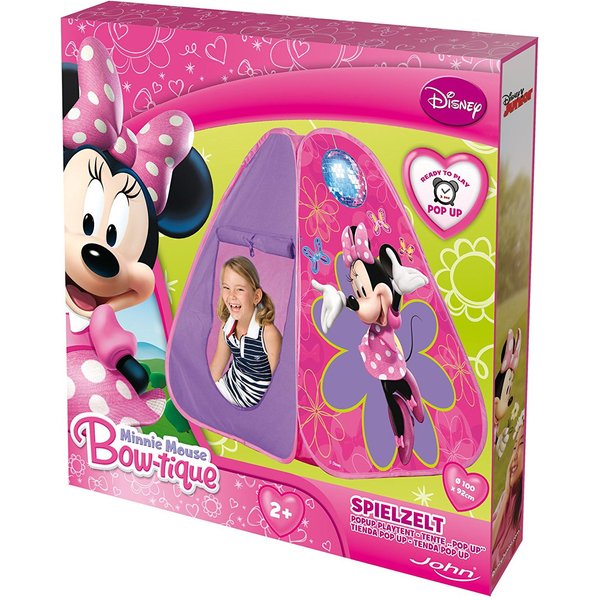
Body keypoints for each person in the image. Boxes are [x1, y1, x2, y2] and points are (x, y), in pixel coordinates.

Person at [210, 257, 282, 408]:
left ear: (256, 296)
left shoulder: (268, 334)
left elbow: (279, 386)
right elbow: (216, 369)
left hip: (255, 406)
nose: (231, 296)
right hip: (227, 391)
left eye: (240, 289)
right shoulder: (226, 327)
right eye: (226, 288)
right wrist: (203, 394)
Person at [492, 426, 525, 570]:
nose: (514, 457)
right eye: (514, 447)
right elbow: (489, 548)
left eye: (521, 444)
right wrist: (506, 494)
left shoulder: (521, 505)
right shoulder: (507, 497)